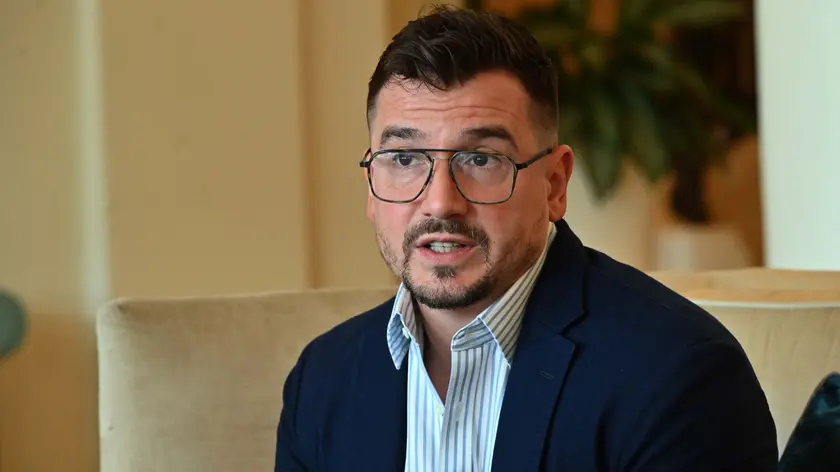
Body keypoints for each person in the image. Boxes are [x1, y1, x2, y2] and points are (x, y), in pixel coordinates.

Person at [274, 5, 777, 471]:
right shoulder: (321, 381)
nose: (440, 202)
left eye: (481, 159)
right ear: (370, 184)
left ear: (554, 185)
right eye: (404, 159)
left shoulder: (679, 375)